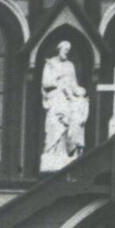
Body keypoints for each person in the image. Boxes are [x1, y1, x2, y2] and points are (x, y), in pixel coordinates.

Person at [40, 40, 91, 170]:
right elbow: (46, 83)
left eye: (68, 50)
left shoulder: (70, 65)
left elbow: (73, 84)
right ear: (59, 49)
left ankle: (66, 153)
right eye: (65, 50)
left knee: (68, 125)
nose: (66, 52)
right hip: (55, 98)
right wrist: (57, 79)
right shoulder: (50, 63)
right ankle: (52, 153)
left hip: (68, 99)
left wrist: (78, 91)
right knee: (54, 126)